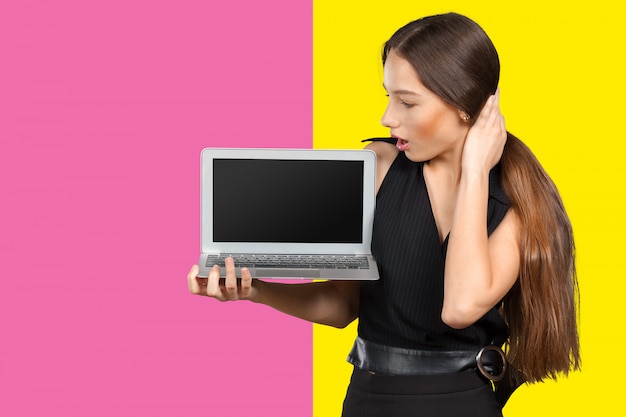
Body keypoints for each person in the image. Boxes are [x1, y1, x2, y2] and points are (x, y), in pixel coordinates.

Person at [187, 12, 580, 417]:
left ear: (465, 106)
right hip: (369, 400)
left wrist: (476, 172)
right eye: (388, 96)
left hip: (463, 403)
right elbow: (340, 305)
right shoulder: (375, 168)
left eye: (407, 102)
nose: (388, 118)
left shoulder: (518, 203)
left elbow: (460, 307)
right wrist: (257, 290)